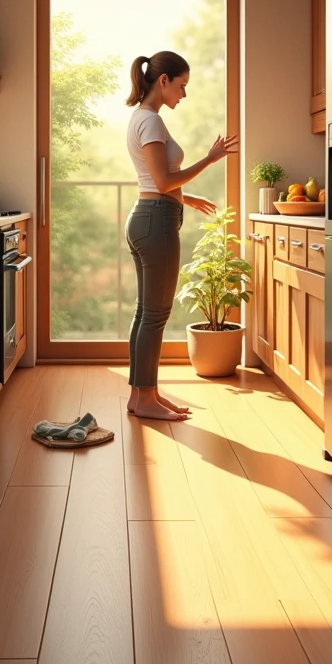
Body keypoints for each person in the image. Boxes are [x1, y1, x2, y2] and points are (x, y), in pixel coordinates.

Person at [125, 51, 238, 421]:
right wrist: (209, 159)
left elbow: (153, 181)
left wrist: (186, 198)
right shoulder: (152, 123)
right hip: (155, 221)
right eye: (182, 86)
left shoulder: (141, 119)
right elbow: (162, 181)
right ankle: (145, 399)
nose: (183, 95)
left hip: (147, 217)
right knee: (154, 315)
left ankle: (145, 395)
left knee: (146, 313)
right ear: (163, 81)